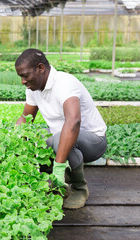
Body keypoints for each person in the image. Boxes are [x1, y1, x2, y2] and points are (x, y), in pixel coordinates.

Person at [15, 48, 107, 209]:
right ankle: (59, 187)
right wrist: (17, 141)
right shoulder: (33, 88)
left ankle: (79, 188)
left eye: (25, 75)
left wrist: (58, 166)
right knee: (42, 145)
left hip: (94, 141)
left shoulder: (64, 83)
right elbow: (25, 118)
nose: (23, 81)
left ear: (41, 68)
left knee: (59, 139)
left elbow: (73, 123)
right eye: (20, 77)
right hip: (63, 138)